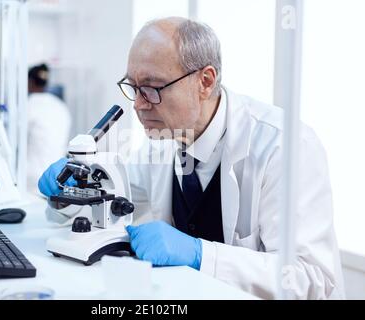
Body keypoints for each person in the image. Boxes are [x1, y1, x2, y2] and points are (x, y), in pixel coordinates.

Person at [37, 17, 344, 299]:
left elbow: (310, 278)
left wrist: (201, 255)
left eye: (153, 88)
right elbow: (112, 200)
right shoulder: (162, 142)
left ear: (205, 82)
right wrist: (71, 192)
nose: (139, 105)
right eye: (133, 87)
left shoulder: (283, 146)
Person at [27, 63, 71, 194]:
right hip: (58, 177)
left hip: (32, 181)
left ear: (29, 82)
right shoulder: (61, 106)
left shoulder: (29, 105)